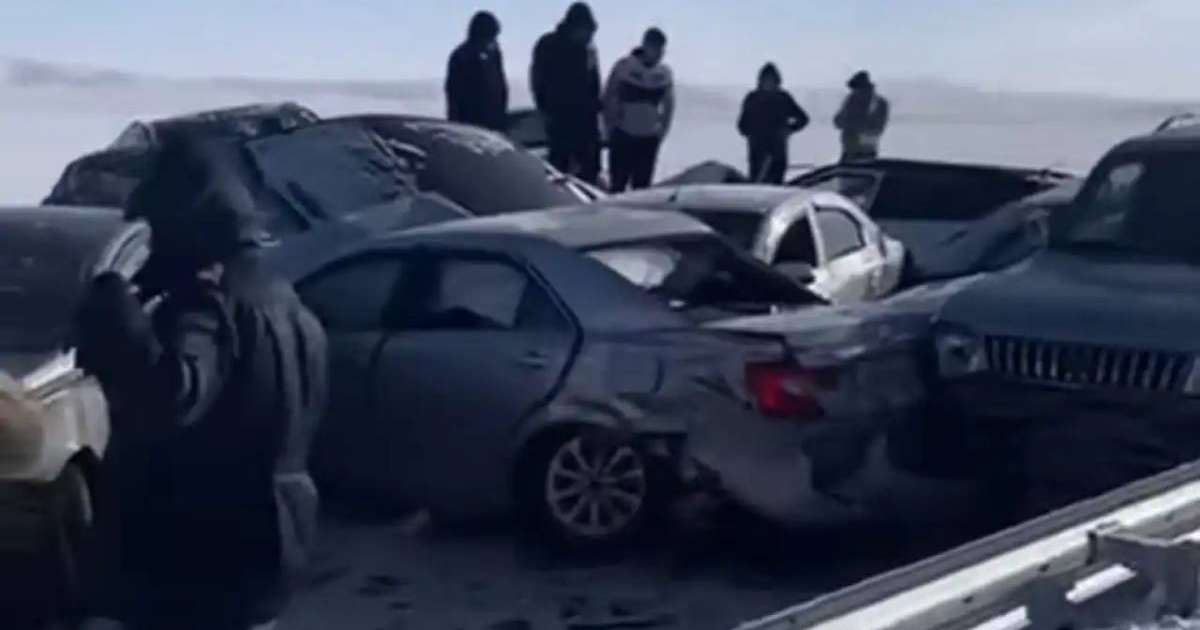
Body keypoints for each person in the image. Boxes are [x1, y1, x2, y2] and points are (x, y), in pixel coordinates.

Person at [76, 132, 327, 630]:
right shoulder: (290, 306)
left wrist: (115, 312)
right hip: (272, 543)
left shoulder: (206, 306)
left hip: (202, 557)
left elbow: (168, 397)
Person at [530, 2, 602, 184]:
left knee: (589, 170)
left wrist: (596, 110)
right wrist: (544, 109)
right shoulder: (548, 45)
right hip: (559, 118)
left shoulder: (589, 50)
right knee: (559, 170)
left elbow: (594, 83)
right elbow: (538, 79)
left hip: (586, 120)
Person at [603, 27, 675, 192]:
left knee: (642, 188)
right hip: (623, 135)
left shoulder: (664, 73)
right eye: (654, 47)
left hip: (648, 139)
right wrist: (610, 127)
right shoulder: (624, 67)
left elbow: (669, 105)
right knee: (618, 186)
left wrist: (661, 133)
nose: (658, 53)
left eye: (661, 49)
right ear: (645, 46)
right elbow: (608, 96)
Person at [736, 62, 809, 184]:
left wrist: (788, 130)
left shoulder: (783, 98)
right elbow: (742, 125)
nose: (768, 83)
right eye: (766, 80)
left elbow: (803, 119)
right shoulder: (753, 98)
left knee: (775, 187)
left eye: (771, 80)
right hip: (758, 152)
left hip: (777, 152)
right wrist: (752, 134)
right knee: (756, 186)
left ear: (777, 81)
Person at [445, 10, 509, 131]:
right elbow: (455, 97)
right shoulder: (462, 57)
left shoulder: (493, 56)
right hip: (471, 124)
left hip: (493, 122)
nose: (494, 41)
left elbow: (500, 88)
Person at [834, 70, 889, 162]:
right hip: (864, 150)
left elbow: (838, 122)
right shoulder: (880, 102)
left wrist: (849, 122)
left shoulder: (853, 100)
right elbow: (838, 121)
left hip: (855, 151)